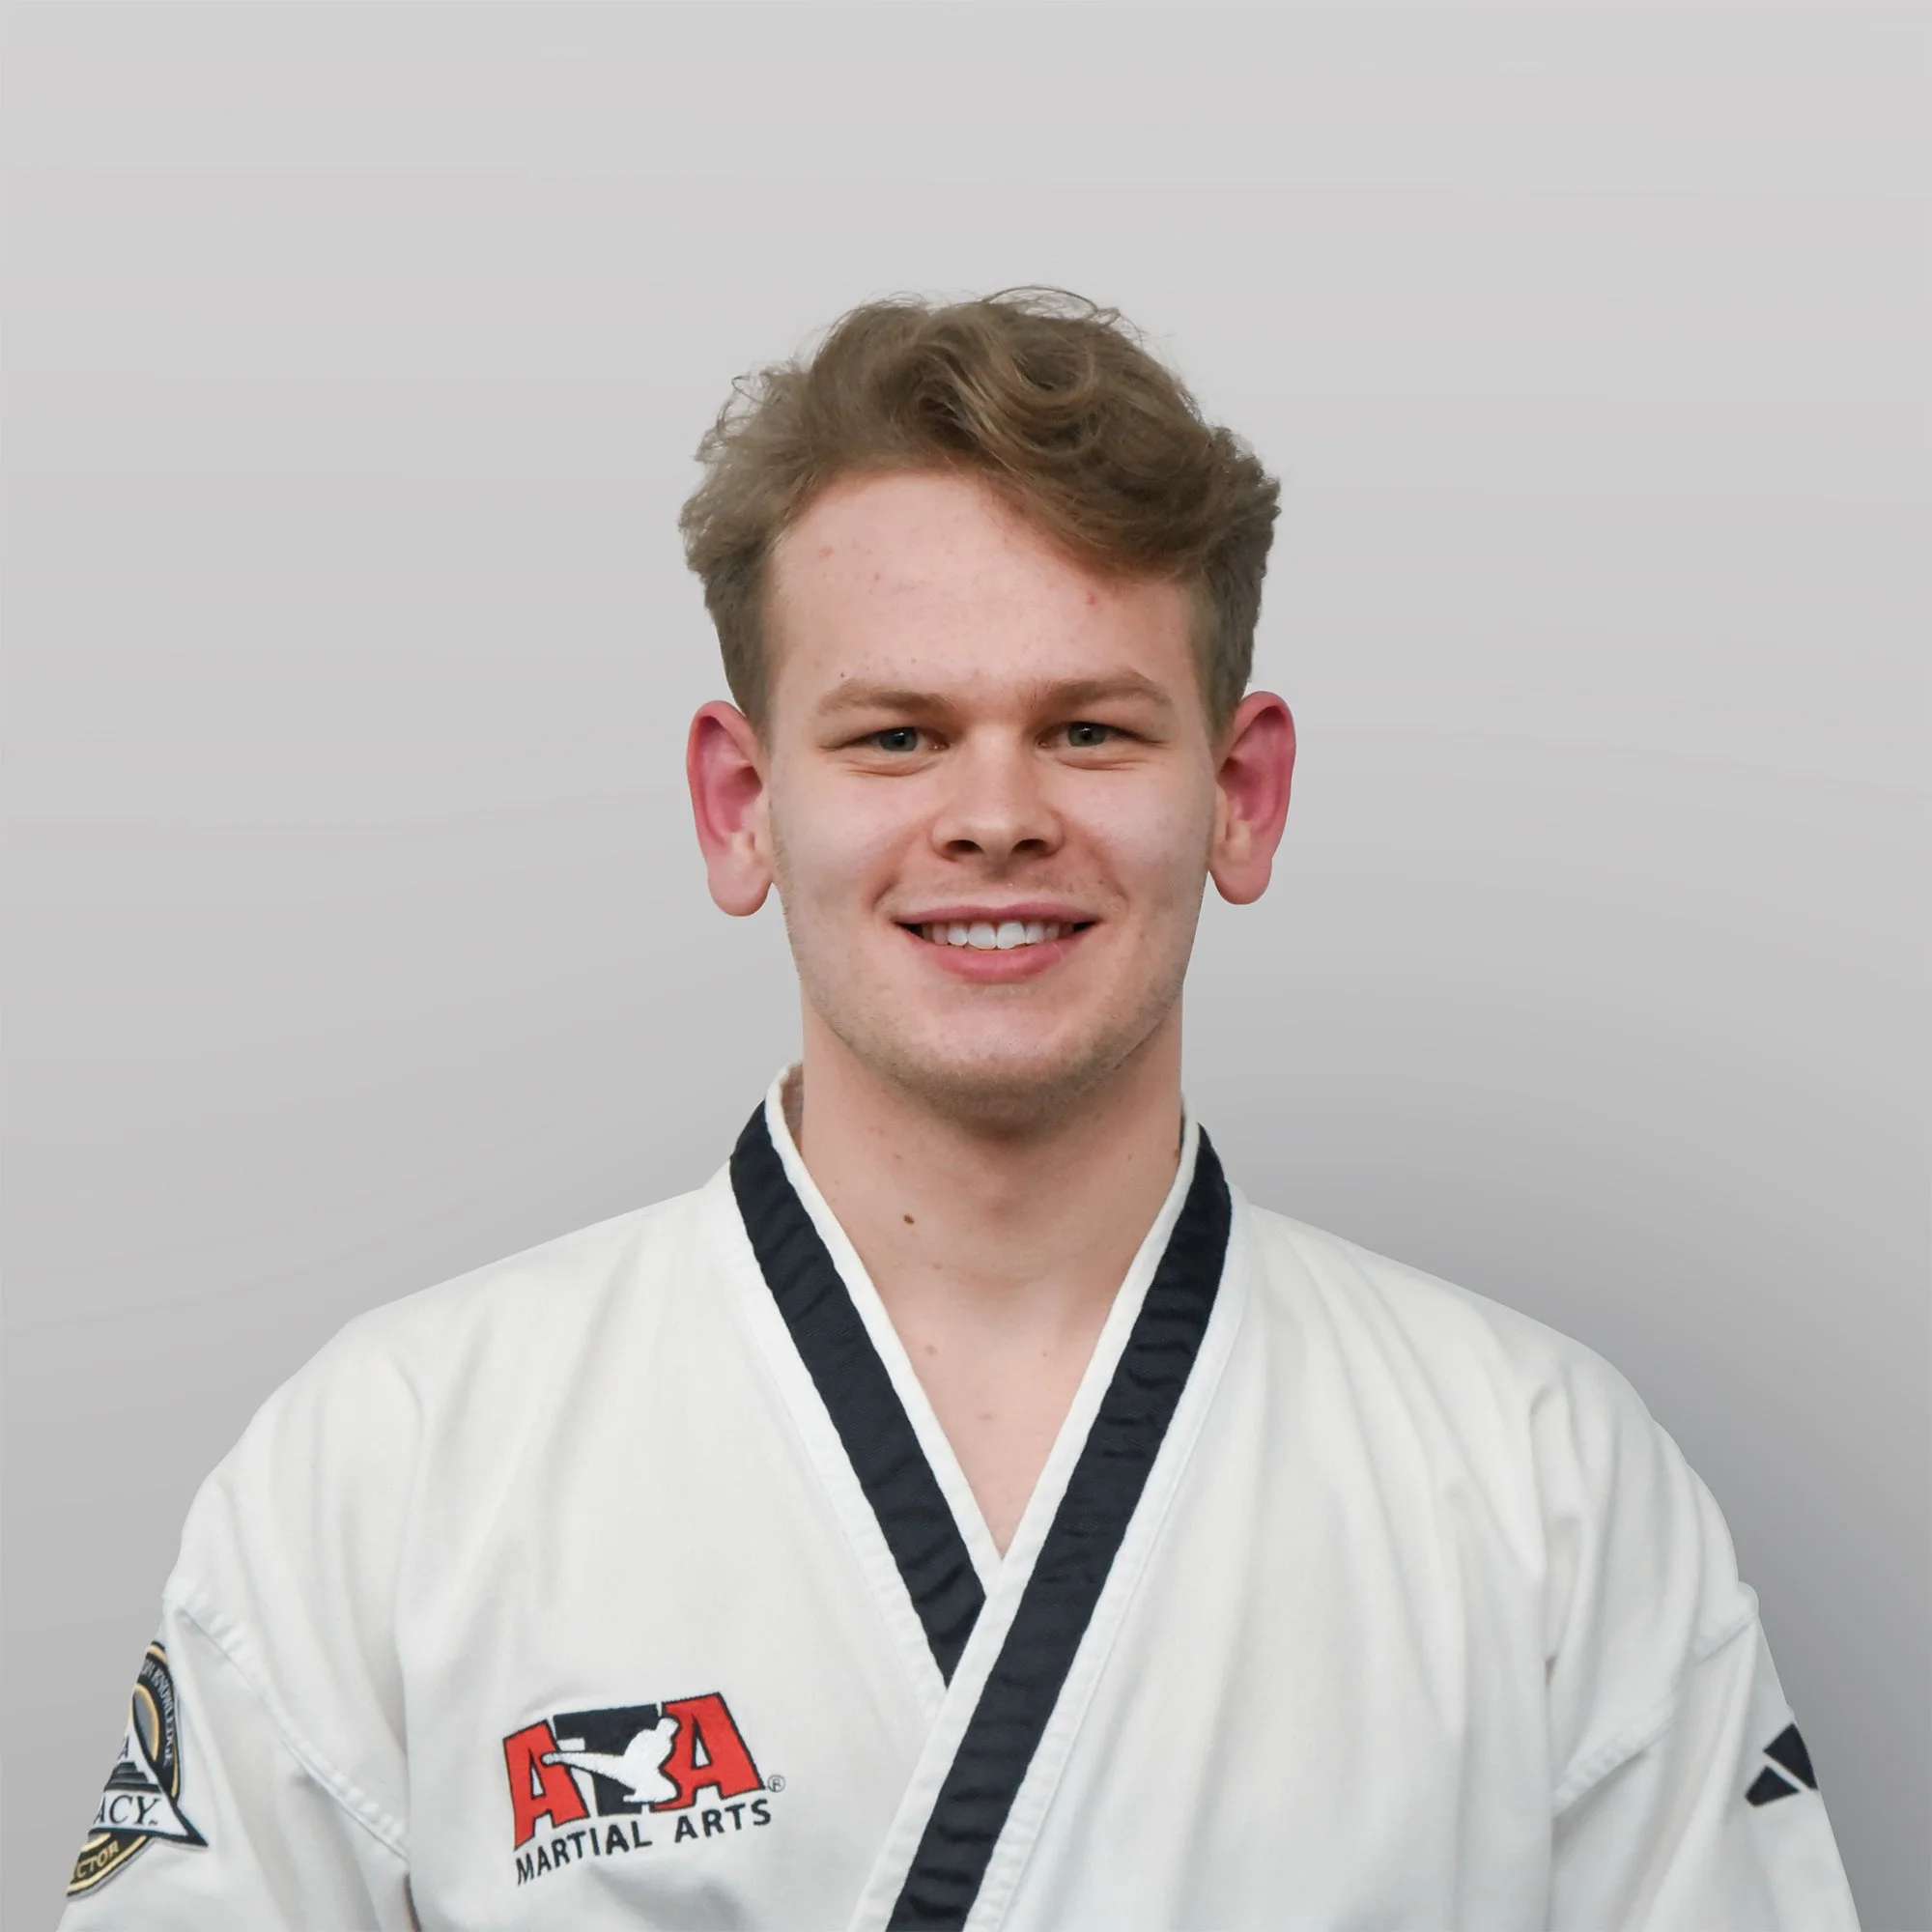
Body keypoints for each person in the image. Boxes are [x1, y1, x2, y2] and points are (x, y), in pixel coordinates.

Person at [58, 291, 1860, 1931]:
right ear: (739, 805)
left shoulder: (1540, 1479)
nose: (996, 817)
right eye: (898, 736)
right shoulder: (391, 1466)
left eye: (1089, 731)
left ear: (1240, 796)